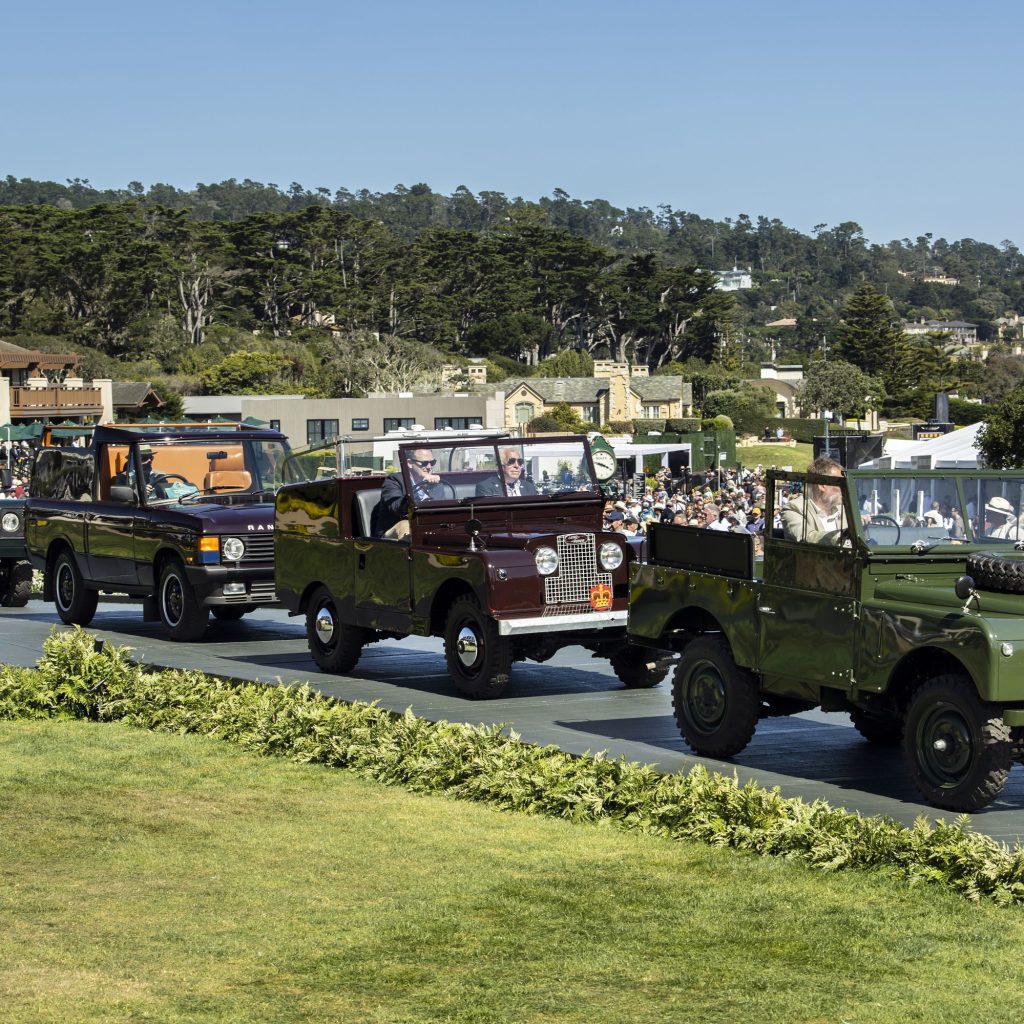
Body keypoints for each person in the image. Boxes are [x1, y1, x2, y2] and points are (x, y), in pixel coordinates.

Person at [377, 447, 448, 539]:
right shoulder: (394, 480)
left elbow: (442, 511)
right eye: (424, 463)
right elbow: (397, 508)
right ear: (409, 463)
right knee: (406, 525)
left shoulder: (436, 483)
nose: (429, 467)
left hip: (425, 526)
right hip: (394, 530)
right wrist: (417, 488)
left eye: (432, 462)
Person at [781, 456, 848, 544]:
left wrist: (862, 527)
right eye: (840, 483)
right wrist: (844, 536)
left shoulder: (843, 509)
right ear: (822, 485)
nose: (844, 488)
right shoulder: (794, 509)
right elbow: (807, 537)